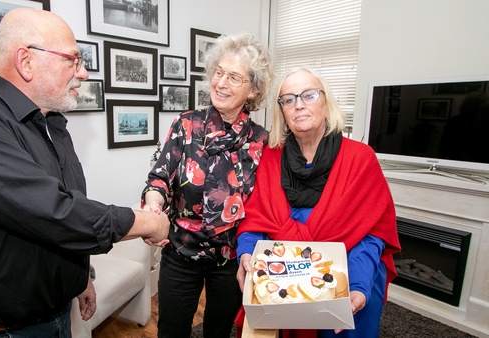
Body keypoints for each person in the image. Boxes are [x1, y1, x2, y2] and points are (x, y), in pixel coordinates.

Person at [0, 8, 169, 338]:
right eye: (73, 60)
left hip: (52, 318)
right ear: (26, 61)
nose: (83, 73)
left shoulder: (51, 125)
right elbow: (54, 212)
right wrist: (149, 222)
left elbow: (54, 222)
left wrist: (78, 276)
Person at [234, 67, 401, 338]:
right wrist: (246, 255)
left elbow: (371, 236)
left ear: (326, 101)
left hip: (346, 276)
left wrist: (358, 287)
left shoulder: (360, 159)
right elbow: (256, 220)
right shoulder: (270, 158)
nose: (298, 105)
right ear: (282, 111)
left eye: (309, 95)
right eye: (288, 99)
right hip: (281, 277)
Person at [141, 33, 273, 338]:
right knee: (171, 330)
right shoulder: (187, 125)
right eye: (219, 73)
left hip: (232, 258)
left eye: (234, 77)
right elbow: (159, 177)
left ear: (253, 90)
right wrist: (153, 205)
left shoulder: (262, 141)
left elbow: (263, 205)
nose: (221, 83)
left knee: (219, 331)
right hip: (181, 253)